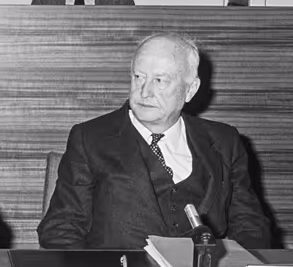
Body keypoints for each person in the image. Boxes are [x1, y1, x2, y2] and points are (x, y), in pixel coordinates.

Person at [38, 33, 270, 249]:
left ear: (191, 89)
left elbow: (250, 226)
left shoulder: (224, 141)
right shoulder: (90, 139)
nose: (144, 92)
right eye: (138, 77)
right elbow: (61, 230)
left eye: (160, 80)